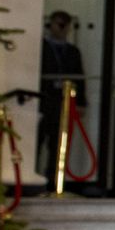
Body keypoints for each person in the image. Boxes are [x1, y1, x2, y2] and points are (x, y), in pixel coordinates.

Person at [36, 10, 86, 185]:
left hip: (62, 102)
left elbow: (79, 77)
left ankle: (53, 180)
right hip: (43, 101)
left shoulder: (72, 52)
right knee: (38, 140)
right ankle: (34, 179)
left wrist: (80, 102)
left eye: (66, 25)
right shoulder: (41, 48)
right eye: (59, 24)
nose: (62, 29)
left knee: (58, 144)